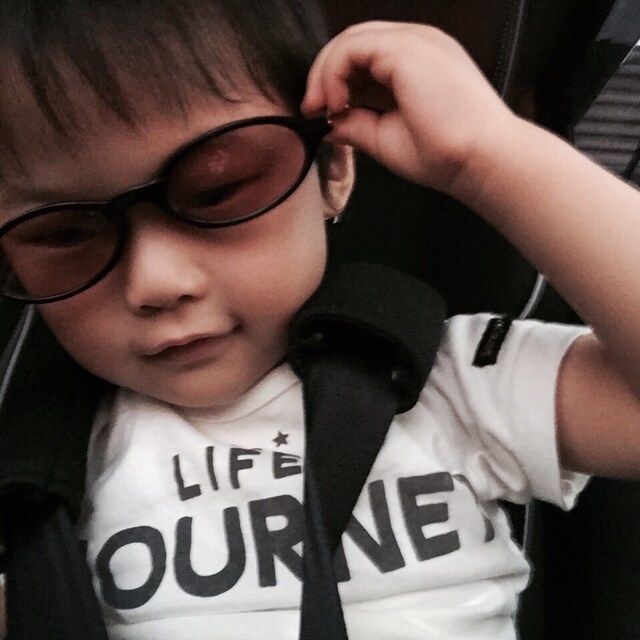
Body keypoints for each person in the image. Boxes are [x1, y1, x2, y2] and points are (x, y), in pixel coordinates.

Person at [1, 2, 640, 639]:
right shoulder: (41, 473)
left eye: (219, 189)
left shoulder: (447, 379)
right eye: (63, 234)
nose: (157, 284)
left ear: (333, 169)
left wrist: (491, 155)